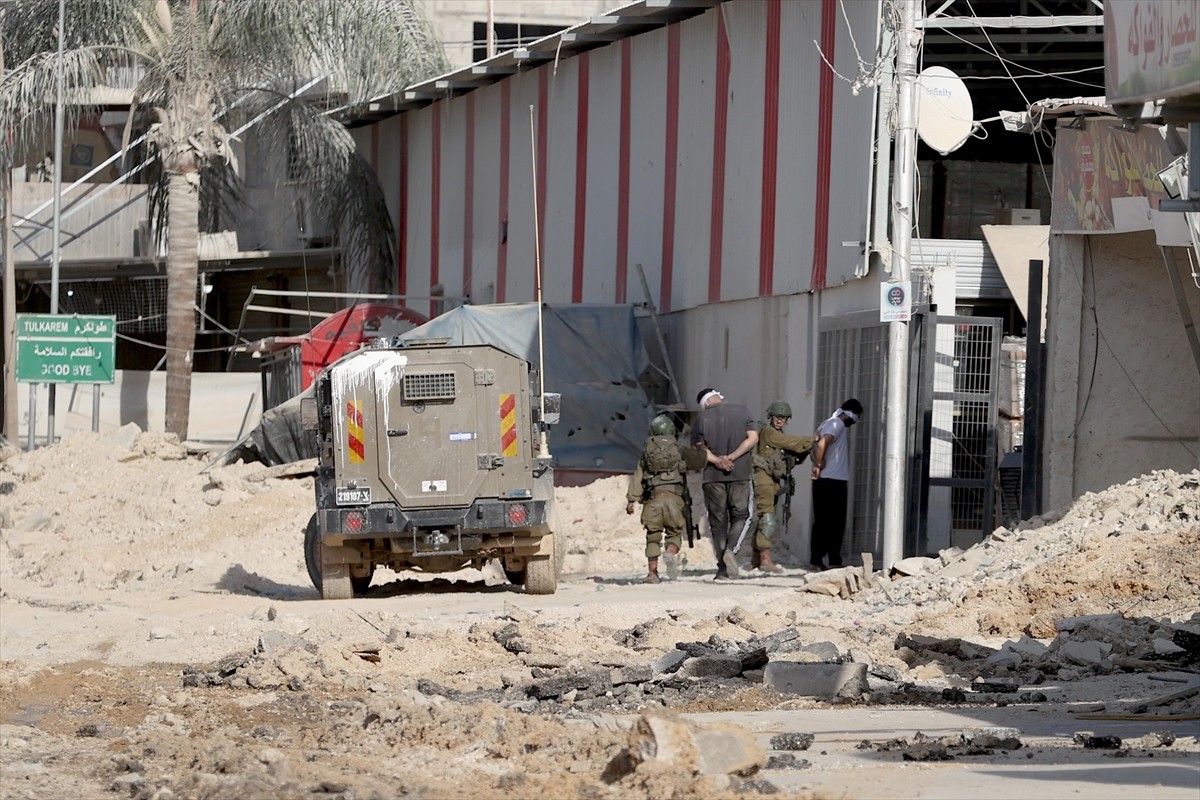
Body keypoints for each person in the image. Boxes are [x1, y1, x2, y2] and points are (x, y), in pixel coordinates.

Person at [690, 388, 758, 580]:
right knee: (743, 515)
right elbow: (753, 438)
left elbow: (699, 447)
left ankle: (722, 570)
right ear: (718, 396)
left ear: (704, 404)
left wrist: (718, 461)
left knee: (717, 523)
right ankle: (730, 551)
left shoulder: (701, 419)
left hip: (712, 477)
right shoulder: (743, 411)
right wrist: (732, 457)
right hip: (740, 474)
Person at [750, 401, 814, 573]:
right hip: (764, 479)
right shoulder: (770, 433)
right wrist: (813, 440)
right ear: (771, 417)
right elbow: (790, 442)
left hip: (773, 480)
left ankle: (756, 559)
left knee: (764, 517)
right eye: (777, 417)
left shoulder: (775, 433)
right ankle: (765, 560)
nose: (780, 420)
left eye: (783, 418)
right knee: (768, 519)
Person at [625, 414, 690, 584]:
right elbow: (699, 459)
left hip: (653, 501)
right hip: (674, 501)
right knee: (674, 533)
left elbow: (638, 477)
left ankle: (652, 574)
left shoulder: (646, 454)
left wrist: (631, 500)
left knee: (653, 536)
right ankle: (669, 552)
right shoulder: (679, 450)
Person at [809, 398, 864, 570]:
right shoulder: (836, 424)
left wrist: (817, 463)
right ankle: (832, 560)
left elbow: (815, 445)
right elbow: (822, 443)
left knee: (822, 521)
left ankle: (818, 559)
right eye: (858, 417)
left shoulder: (827, 423)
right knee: (835, 523)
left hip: (825, 481)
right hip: (833, 481)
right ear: (852, 414)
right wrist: (819, 465)